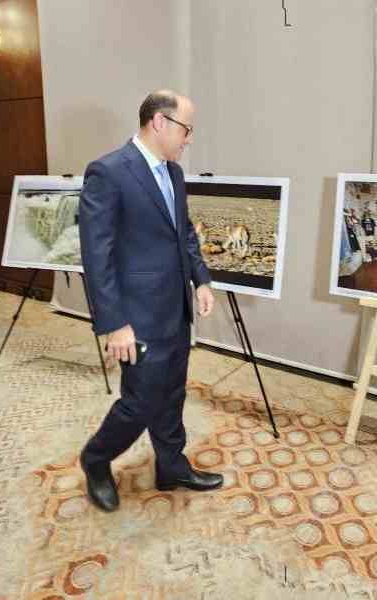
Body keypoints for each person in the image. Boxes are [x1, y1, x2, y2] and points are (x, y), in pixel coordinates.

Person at [77, 90, 221, 512]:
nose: (189, 139)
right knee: (140, 401)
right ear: (159, 122)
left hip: (174, 308)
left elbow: (184, 234)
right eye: (186, 129)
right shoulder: (108, 172)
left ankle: (172, 465)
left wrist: (201, 280)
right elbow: (96, 255)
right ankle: (96, 458)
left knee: (172, 391)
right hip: (136, 317)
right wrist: (114, 323)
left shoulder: (172, 173)